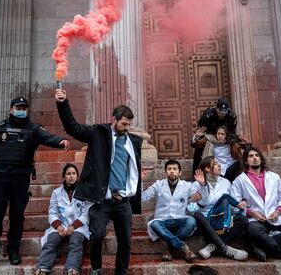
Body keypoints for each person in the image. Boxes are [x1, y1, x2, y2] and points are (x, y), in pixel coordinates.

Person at [55, 89, 143, 275]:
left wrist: (130, 190)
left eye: (129, 124)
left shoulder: (133, 141)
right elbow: (73, 128)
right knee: (97, 236)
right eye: (124, 124)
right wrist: (63, 104)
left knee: (126, 240)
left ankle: (121, 271)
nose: (126, 127)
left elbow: (133, 170)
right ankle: (96, 268)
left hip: (122, 201)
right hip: (100, 199)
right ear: (114, 119)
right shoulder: (98, 133)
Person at [0, 96, 70, 265]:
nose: (21, 111)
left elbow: (48, 137)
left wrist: (61, 141)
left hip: (21, 177)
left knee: (17, 215)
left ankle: (13, 250)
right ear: (11, 109)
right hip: (1, 177)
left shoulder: (33, 129)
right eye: (18, 108)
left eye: (24, 108)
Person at [230, 146, 281, 262]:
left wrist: (278, 211)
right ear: (246, 161)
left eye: (257, 155)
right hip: (256, 221)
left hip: (274, 218)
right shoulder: (239, 180)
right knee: (252, 230)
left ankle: (263, 244)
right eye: (251, 156)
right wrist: (250, 212)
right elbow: (234, 205)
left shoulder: (274, 177)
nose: (254, 158)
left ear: (261, 159)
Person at [36, 164, 92, 275]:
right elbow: (52, 213)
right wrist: (58, 226)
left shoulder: (83, 192)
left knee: (76, 242)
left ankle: (72, 268)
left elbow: (85, 214)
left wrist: (73, 226)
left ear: (77, 176)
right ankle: (43, 267)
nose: (71, 176)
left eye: (74, 174)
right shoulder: (56, 193)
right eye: (68, 174)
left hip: (78, 227)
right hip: (61, 226)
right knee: (51, 240)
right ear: (64, 176)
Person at [192, 156, 248, 261]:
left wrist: (241, 205)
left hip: (222, 220)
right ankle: (225, 248)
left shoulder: (226, 182)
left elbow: (231, 204)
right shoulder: (195, 185)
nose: (219, 165)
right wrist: (203, 186)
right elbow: (192, 208)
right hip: (205, 223)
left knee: (243, 220)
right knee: (197, 215)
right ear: (208, 168)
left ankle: (213, 246)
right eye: (216, 163)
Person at [142, 159, 198, 262]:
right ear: (165, 172)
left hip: (180, 219)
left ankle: (168, 248)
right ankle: (184, 248)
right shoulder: (158, 184)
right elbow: (143, 197)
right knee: (154, 224)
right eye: (169, 169)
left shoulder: (187, 185)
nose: (172, 171)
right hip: (163, 220)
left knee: (191, 221)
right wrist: (139, 182)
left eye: (175, 169)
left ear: (179, 172)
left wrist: (202, 187)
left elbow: (198, 198)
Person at [192, 97, 237, 172]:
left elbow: (232, 132)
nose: (222, 115)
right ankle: (197, 172)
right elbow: (202, 130)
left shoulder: (232, 116)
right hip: (209, 134)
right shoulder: (208, 115)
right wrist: (200, 138)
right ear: (216, 108)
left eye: (224, 113)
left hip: (224, 135)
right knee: (199, 148)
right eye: (220, 112)